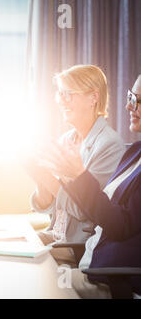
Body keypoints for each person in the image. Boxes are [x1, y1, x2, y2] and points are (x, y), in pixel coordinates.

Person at [39, 75, 141, 298]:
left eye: (137, 101)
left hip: (107, 276)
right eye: (130, 97)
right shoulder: (134, 151)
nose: (128, 105)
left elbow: (119, 224)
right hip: (91, 262)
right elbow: (101, 207)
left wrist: (78, 176)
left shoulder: (111, 145)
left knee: (39, 282)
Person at [24, 65, 125, 265]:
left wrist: (45, 176)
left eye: (68, 94)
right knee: (9, 243)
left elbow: (87, 211)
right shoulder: (67, 139)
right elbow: (52, 205)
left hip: (78, 248)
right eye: (60, 94)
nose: (61, 101)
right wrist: (36, 175)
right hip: (56, 237)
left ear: (93, 98)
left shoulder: (110, 145)